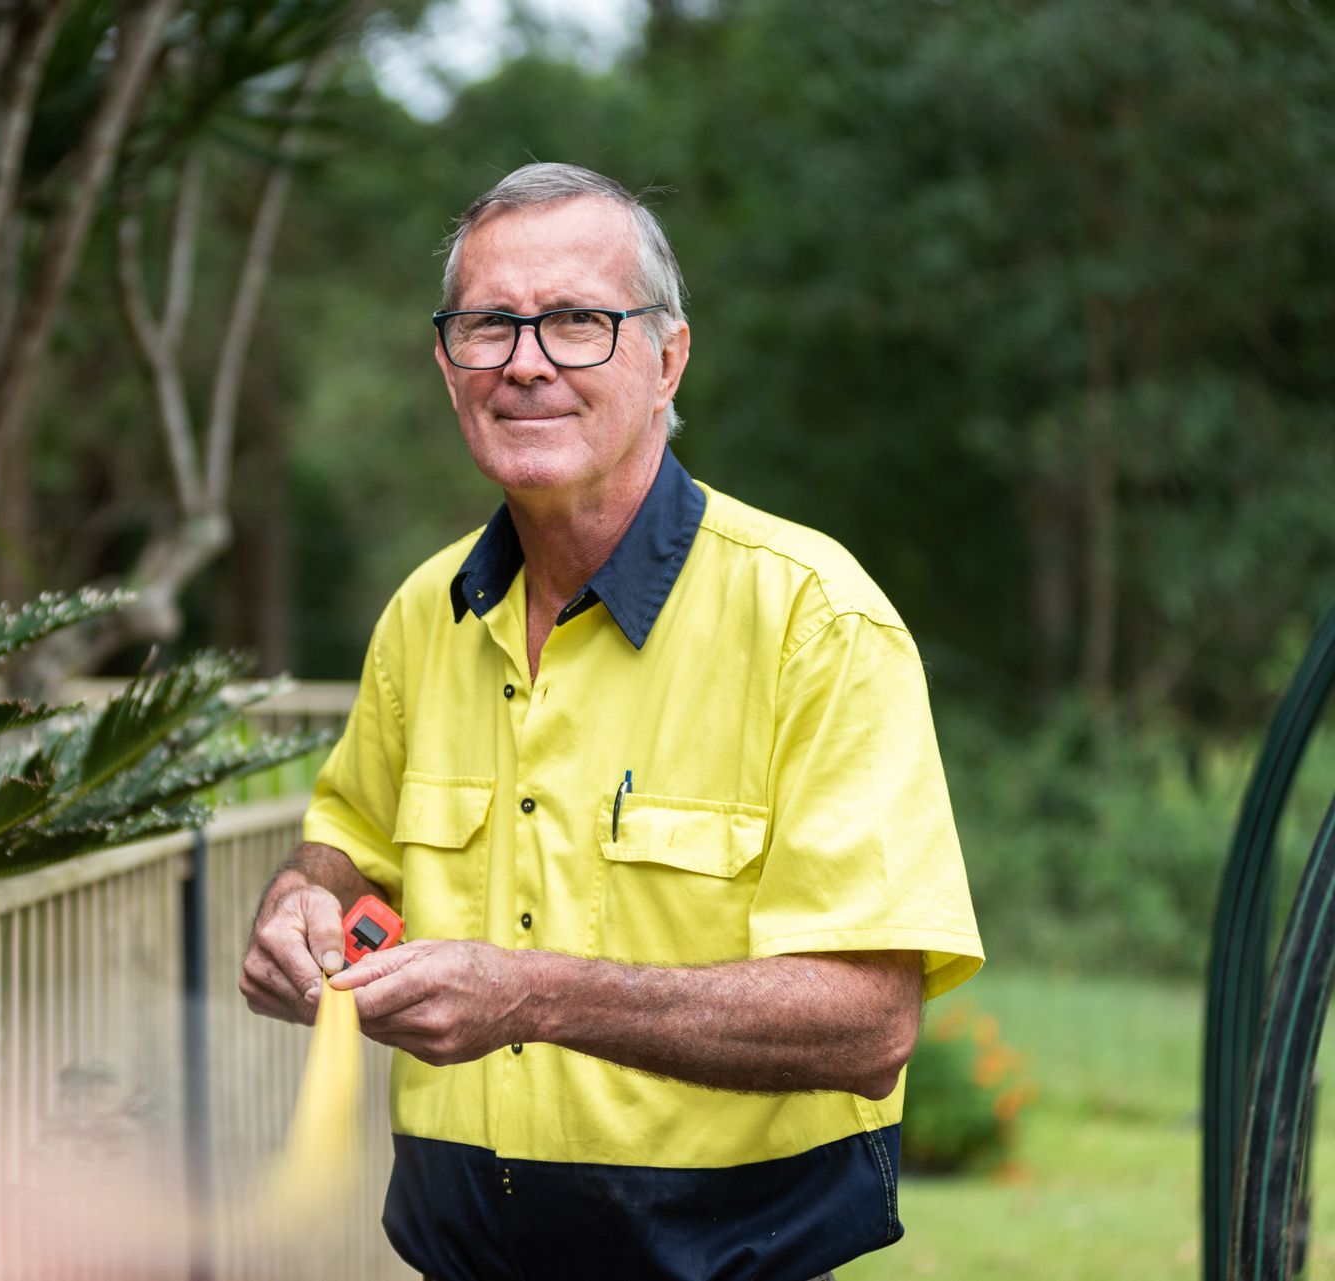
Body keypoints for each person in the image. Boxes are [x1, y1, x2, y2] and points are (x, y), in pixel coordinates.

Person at [239, 163, 983, 1281]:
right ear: (447, 365)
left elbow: (869, 1022)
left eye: (578, 321)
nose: (526, 361)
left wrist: (532, 995)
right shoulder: (425, 614)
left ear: (668, 358)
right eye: (489, 325)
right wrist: (304, 899)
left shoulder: (815, 620)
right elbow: (349, 847)